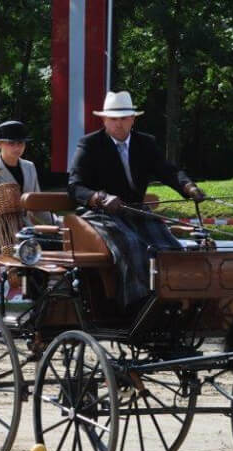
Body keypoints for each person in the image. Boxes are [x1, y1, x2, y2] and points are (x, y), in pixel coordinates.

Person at [67, 90, 206, 310]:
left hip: (136, 211)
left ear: (133, 119)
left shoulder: (146, 143)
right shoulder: (90, 144)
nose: (119, 123)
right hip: (100, 213)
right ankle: (137, 304)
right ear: (104, 120)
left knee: (169, 246)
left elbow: (168, 171)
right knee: (132, 245)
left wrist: (189, 187)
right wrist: (99, 197)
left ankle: (175, 298)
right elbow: (75, 186)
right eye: (113, 118)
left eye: (124, 118)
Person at [0, 120, 52, 233]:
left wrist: (59, 223)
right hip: (2, 237)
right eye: (11, 143)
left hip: (27, 233)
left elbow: (36, 206)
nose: (17, 148)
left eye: (20, 143)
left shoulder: (30, 167)